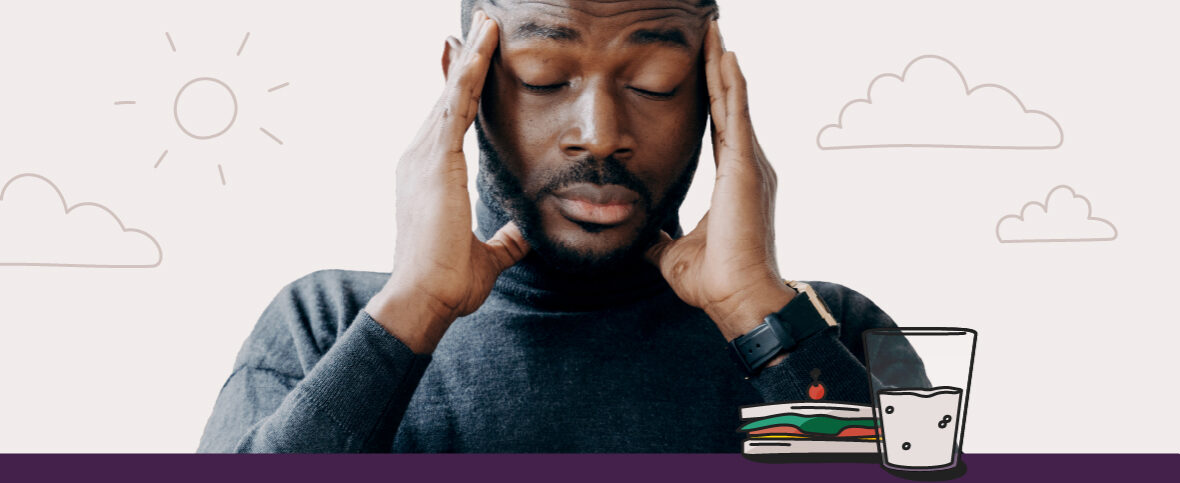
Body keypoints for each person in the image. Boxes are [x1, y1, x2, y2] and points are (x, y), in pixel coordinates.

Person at [197, 0, 909, 453]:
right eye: (542, 76)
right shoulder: (323, 327)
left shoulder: (837, 332)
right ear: (462, 85)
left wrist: (761, 317)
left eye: (655, 81)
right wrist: (411, 312)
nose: (600, 135)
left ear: (712, 94)